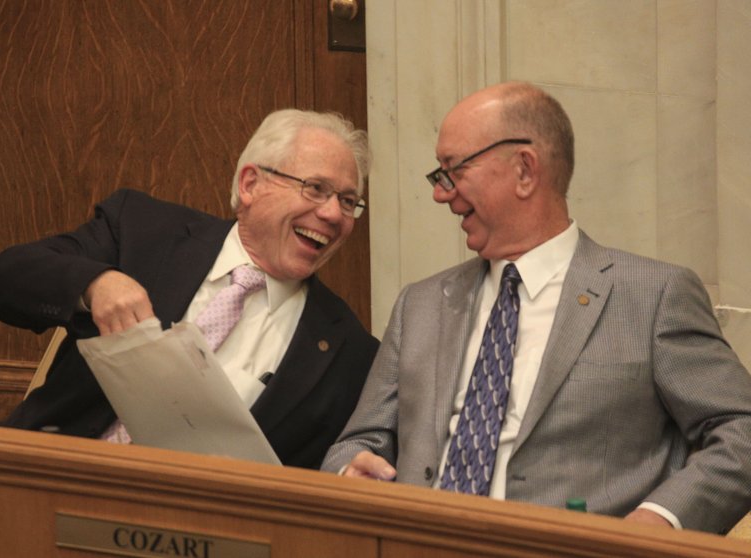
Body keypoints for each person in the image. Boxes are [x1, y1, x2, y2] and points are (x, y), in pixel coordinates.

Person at [321, 82, 751, 533]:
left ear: (525, 170)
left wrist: (659, 520)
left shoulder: (653, 296)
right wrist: (352, 468)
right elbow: (357, 443)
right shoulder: (420, 305)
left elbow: (741, 430)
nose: (440, 194)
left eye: (453, 171)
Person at [0, 109, 379, 470]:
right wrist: (93, 284)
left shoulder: (349, 351)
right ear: (252, 183)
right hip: (46, 483)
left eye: (348, 201)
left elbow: (333, 470)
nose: (332, 214)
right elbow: (2, 281)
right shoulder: (142, 232)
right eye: (315, 188)